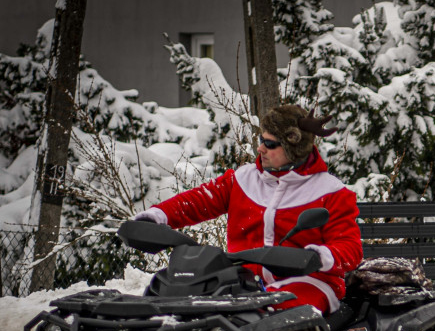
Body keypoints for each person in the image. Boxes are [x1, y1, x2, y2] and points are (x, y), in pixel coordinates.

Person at [134, 104, 363, 314]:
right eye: (261, 140)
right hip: (243, 283)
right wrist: (158, 216)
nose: (261, 148)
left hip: (310, 282)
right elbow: (200, 200)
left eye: (271, 144)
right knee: (183, 305)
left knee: (268, 310)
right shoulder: (242, 180)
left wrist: (317, 256)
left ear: (294, 147)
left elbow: (350, 248)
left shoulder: (330, 193)